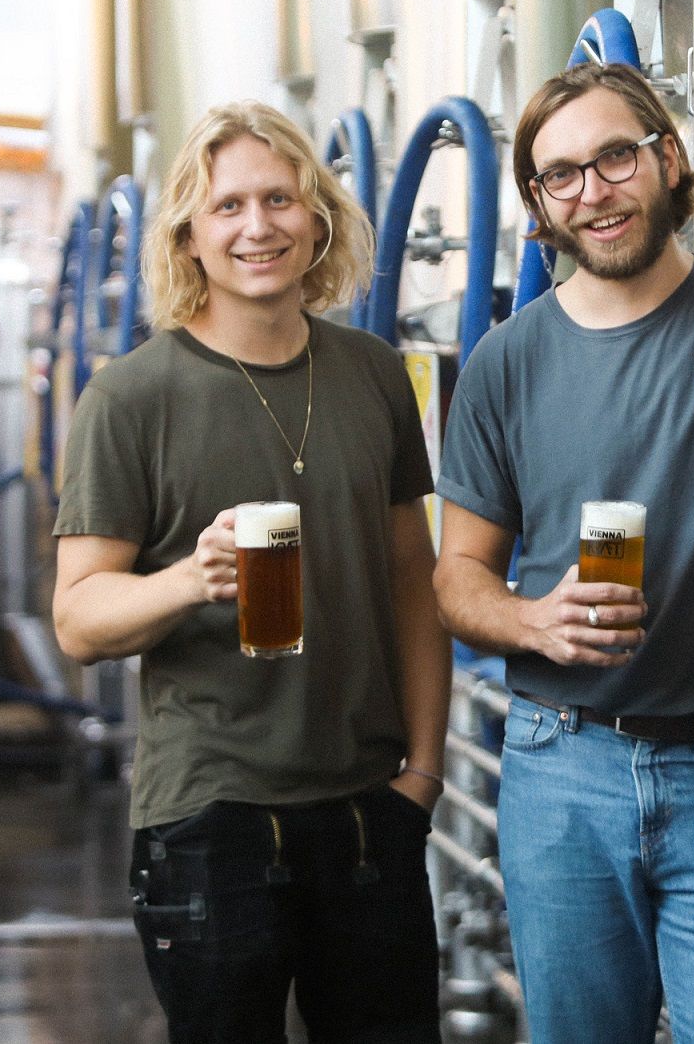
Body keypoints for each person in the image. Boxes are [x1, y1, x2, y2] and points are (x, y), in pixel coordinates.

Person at [52, 101, 449, 1044]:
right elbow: (77, 618)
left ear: (319, 217)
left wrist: (424, 773)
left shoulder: (373, 374)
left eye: (280, 199)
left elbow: (411, 582)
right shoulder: (130, 397)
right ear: (189, 233)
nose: (257, 226)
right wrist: (189, 579)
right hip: (210, 819)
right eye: (228, 206)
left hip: (365, 811)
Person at [434, 63, 694, 1043]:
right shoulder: (503, 363)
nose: (593, 192)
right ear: (536, 205)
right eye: (561, 175)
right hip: (560, 764)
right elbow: (455, 578)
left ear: (667, 158)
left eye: (614, 157)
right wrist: (531, 618)